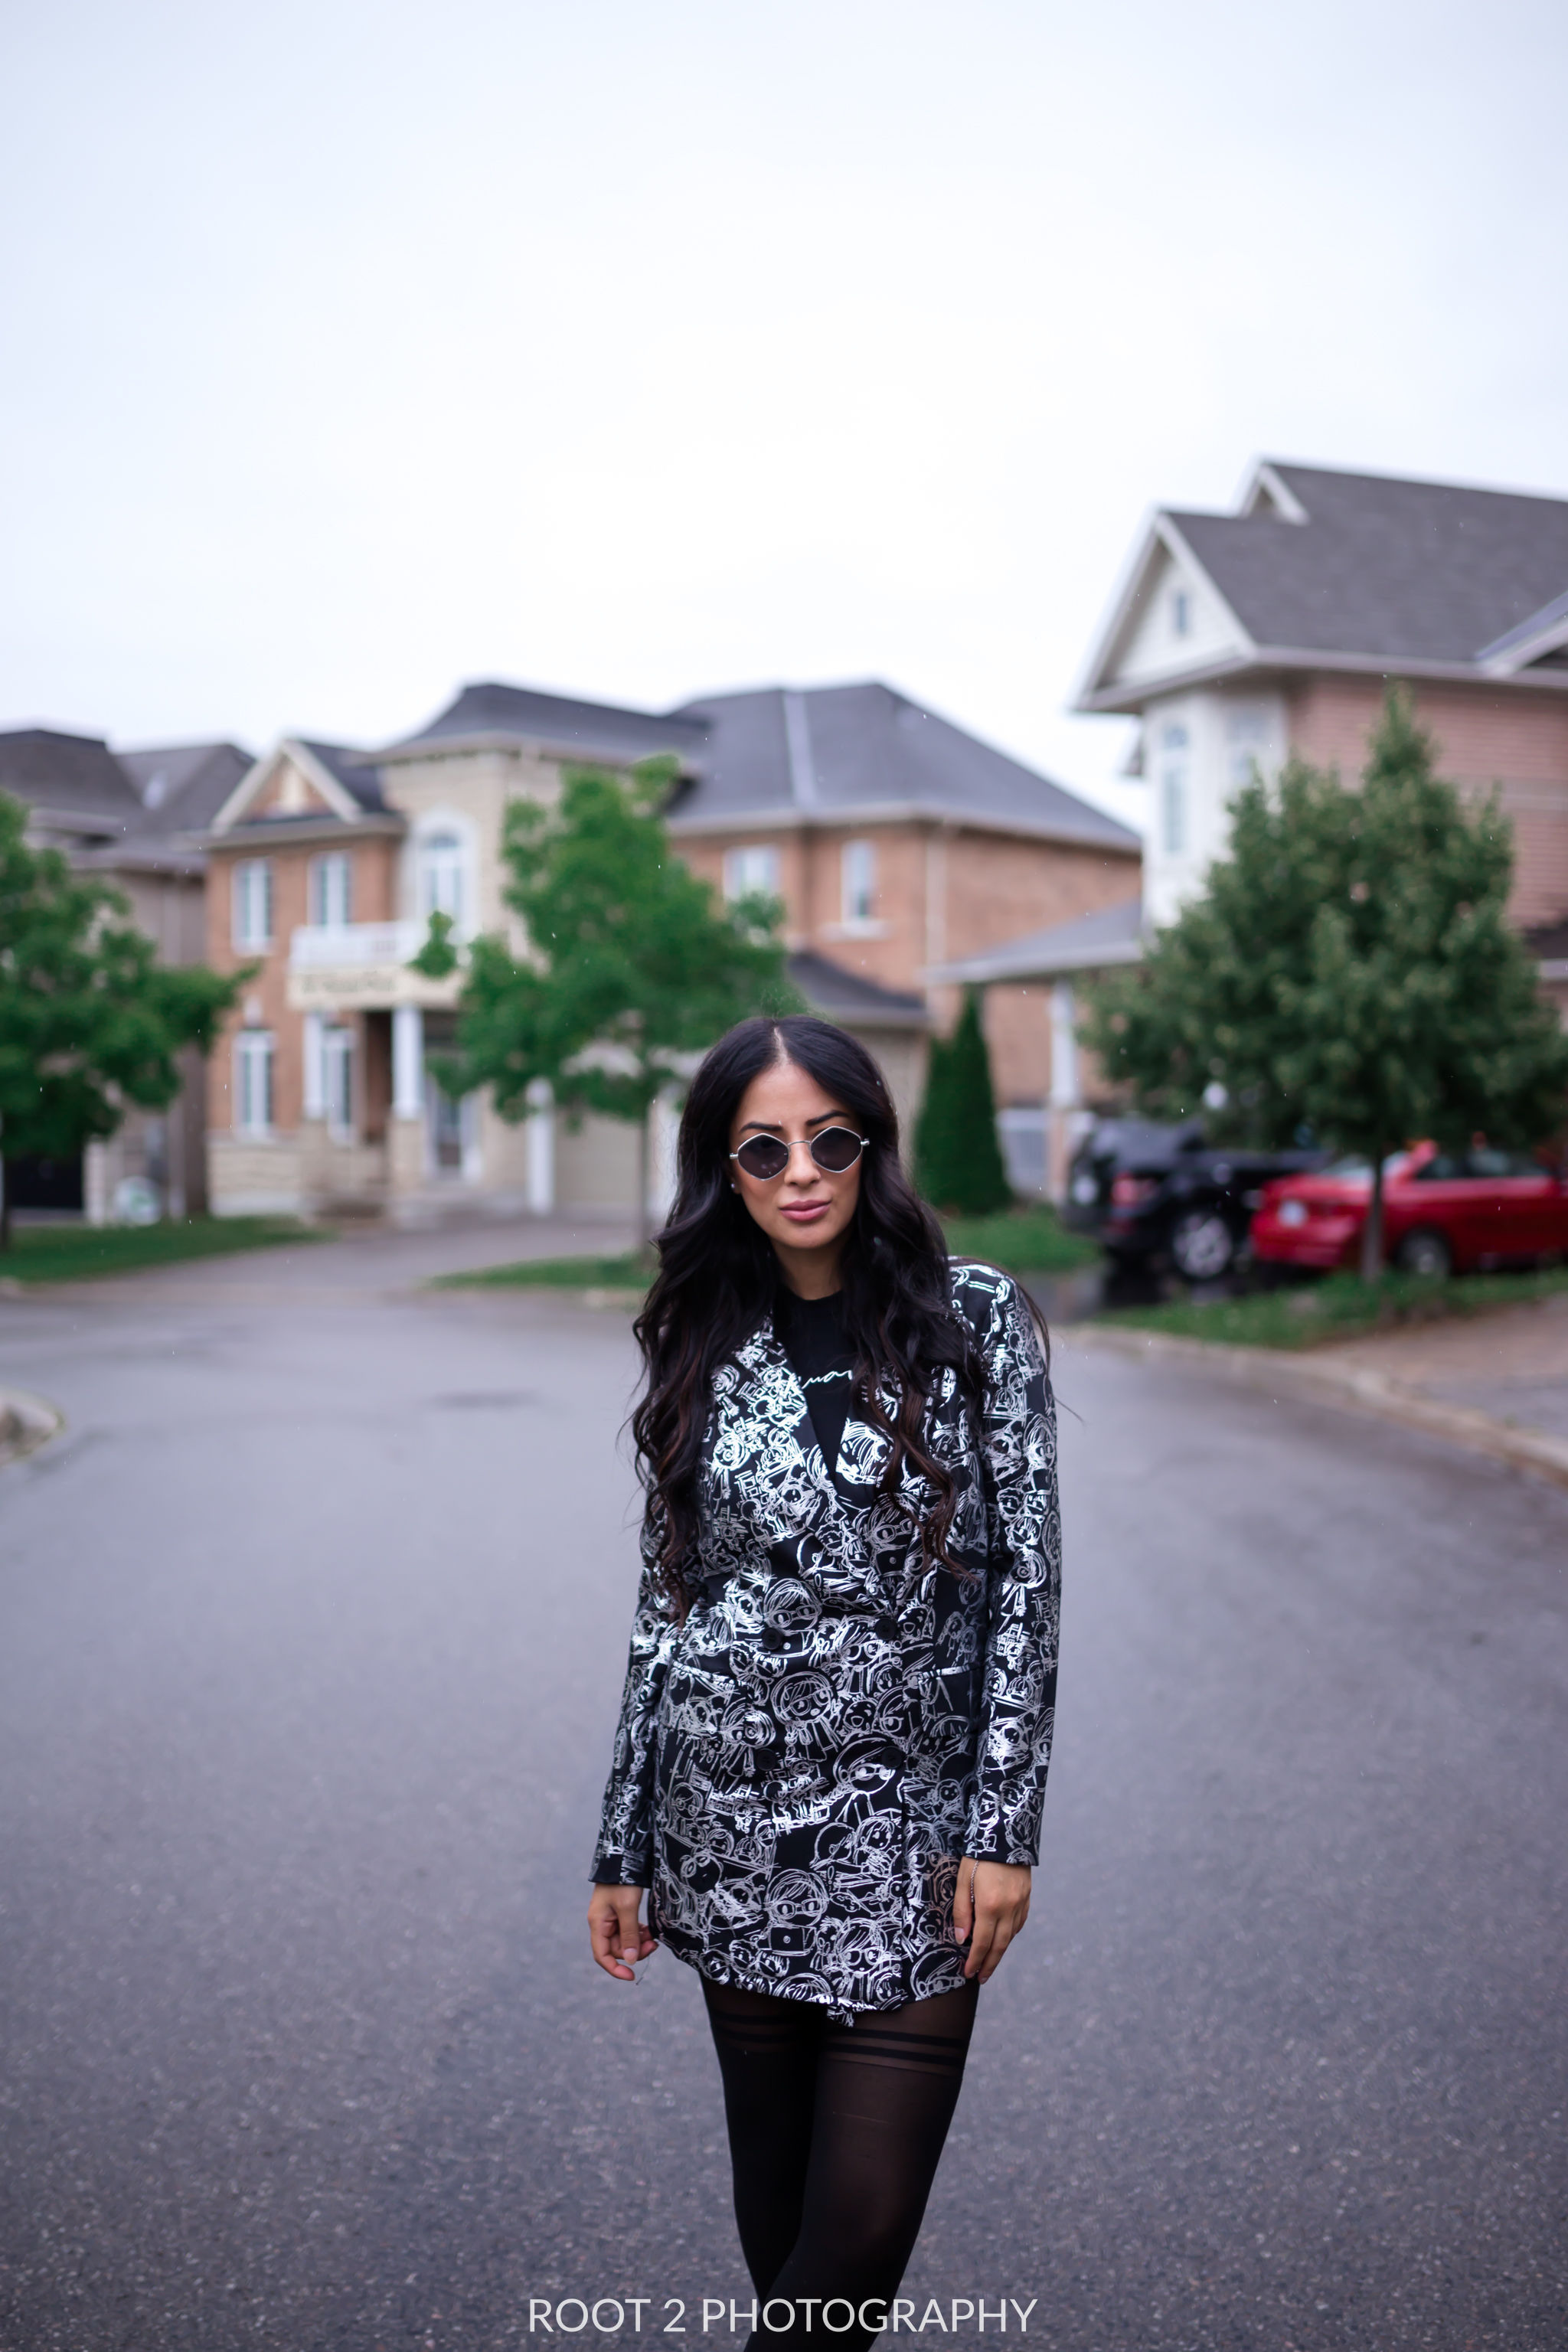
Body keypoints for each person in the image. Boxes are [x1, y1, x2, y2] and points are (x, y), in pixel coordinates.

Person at [587, 1016, 1060, 2349]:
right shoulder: (703, 1328)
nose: (802, 1172)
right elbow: (666, 1606)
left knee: (854, 2239)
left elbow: (1027, 1587)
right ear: (723, 1168)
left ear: (872, 1148)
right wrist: (621, 1845)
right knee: (783, 2229)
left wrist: (1004, 1830)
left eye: (830, 1141)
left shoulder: (973, 1317)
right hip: (730, 1836)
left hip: (916, 1841)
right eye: (764, 1149)